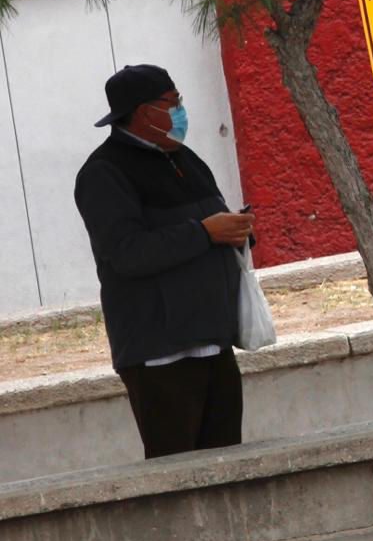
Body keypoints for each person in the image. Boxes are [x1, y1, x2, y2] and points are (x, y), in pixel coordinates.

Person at [74, 64, 256, 458]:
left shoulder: (185, 160)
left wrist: (237, 231)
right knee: (178, 476)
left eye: (180, 103)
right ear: (142, 113)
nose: (179, 113)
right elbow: (127, 253)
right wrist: (205, 232)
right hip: (159, 354)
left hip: (213, 344)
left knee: (229, 469)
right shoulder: (104, 173)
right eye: (171, 104)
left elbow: (212, 220)